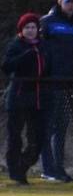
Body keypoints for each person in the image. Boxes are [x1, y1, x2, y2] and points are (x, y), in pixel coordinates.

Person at [39, 0, 73, 182]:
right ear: (60, 1)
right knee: (46, 127)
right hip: (48, 83)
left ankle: (59, 169)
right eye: (68, 1)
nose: (71, 5)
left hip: (67, 84)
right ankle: (48, 169)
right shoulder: (47, 23)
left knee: (61, 128)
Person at [2, 13, 51, 186]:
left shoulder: (44, 46)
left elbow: (49, 67)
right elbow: (7, 67)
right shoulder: (16, 45)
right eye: (27, 28)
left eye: (33, 27)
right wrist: (24, 57)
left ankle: (22, 166)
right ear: (21, 30)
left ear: (38, 29)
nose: (30, 31)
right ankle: (15, 172)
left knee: (37, 139)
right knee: (15, 137)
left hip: (38, 100)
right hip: (18, 98)